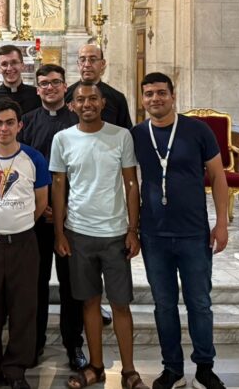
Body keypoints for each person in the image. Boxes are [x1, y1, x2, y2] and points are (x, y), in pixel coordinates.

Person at [132, 72, 229, 389]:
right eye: (149, 94)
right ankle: (172, 367)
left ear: (173, 96)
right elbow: (130, 183)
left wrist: (222, 223)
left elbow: (217, 177)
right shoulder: (136, 134)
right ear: (142, 98)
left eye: (161, 93)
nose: (155, 99)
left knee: (199, 303)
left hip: (193, 232)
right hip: (154, 234)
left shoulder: (196, 130)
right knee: (164, 305)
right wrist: (132, 229)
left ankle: (204, 366)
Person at [51, 83, 148, 389]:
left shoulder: (121, 136)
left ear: (103, 102)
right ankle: (96, 366)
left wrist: (133, 229)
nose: (87, 103)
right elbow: (58, 187)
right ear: (72, 106)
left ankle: (130, 370)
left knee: (120, 304)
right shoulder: (62, 138)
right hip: (79, 232)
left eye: (93, 98)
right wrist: (59, 233)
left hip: (115, 232)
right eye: (80, 99)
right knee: (89, 302)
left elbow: (131, 184)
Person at [0, 98, 51, 389]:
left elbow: (41, 201)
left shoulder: (33, 158)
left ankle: (16, 369)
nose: (4, 128)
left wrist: (19, 222)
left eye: (10, 122)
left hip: (24, 244)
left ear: (19, 125)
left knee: (23, 308)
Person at [18, 64, 86, 372]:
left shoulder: (80, 122)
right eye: (44, 83)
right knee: (36, 283)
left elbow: (85, 172)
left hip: (72, 218)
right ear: (37, 89)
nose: (50, 88)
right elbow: (20, 170)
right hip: (35, 216)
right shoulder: (27, 123)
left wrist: (64, 209)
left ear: (65, 86)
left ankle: (74, 344)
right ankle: (34, 341)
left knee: (72, 284)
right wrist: (40, 206)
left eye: (55, 83)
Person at [65, 43, 133, 129]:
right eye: (82, 60)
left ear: (102, 63)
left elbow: (126, 132)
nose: (87, 64)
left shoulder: (117, 98)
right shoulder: (66, 95)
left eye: (92, 60)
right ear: (78, 64)